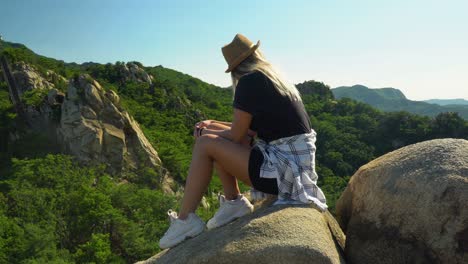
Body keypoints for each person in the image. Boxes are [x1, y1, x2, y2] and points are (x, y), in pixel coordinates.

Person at [159, 33, 327, 249]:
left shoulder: (249, 82)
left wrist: (205, 136)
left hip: (283, 172)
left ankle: (186, 220)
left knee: (205, 143)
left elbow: (237, 136)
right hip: (292, 167)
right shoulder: (271, 78)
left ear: (235, 67)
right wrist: (210, 124)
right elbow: (246, 132)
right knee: (209, 134)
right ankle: (233, 202)